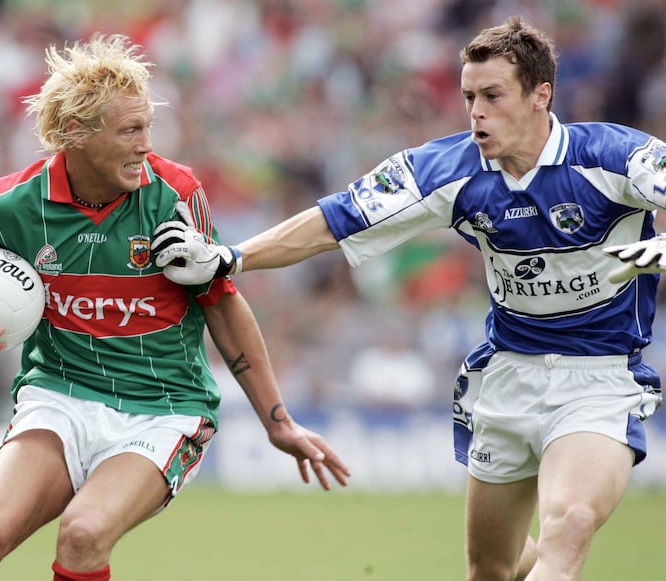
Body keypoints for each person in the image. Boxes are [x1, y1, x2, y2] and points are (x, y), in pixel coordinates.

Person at [153, 16, 666, 581]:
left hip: (598, 378)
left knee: (567, 525)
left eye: (493, 96)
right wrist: (234, 257)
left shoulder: (615, 155)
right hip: (508, 380)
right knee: (491, 569)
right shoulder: (450, 168)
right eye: (470, 96)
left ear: (541, 95)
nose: (477, 112)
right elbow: (337, 218)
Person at [0, 34, 349, 581]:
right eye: (130, 130)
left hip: (163, 408)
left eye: (148, 127)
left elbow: (223, 305)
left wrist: (278, 421)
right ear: (75, 133)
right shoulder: (15, 204)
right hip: (61, 396)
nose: (146, 145)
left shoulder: (174, 194)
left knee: (83, 534)